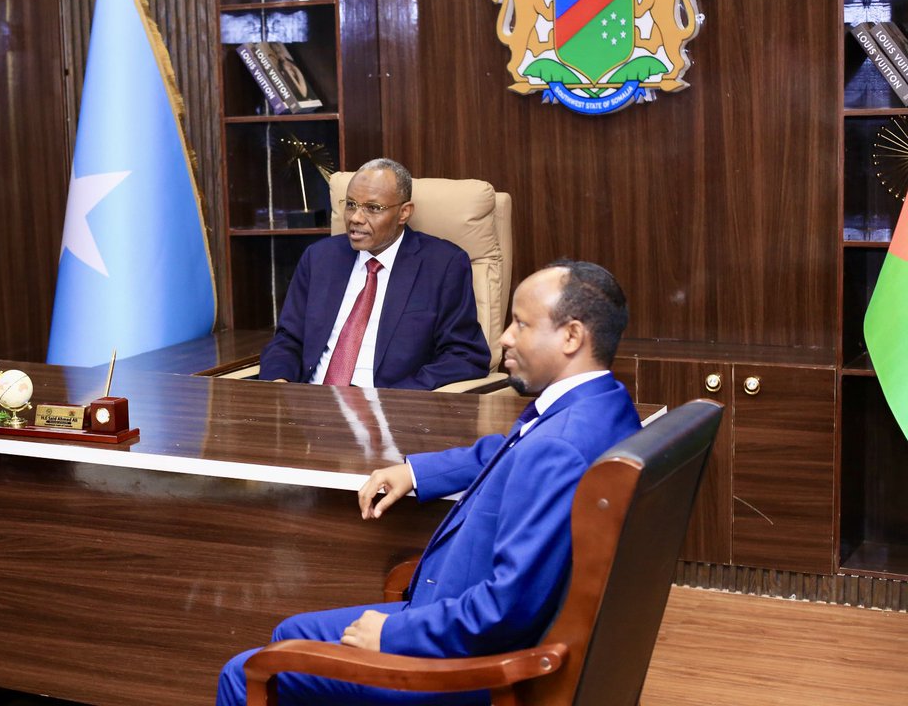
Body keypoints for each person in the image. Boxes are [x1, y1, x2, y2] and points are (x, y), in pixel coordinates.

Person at [220, 261, 642, 706]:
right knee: (290, 633)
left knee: (247, 672)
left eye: (520, 323)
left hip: (472, 663)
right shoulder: (603, 407)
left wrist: (395, 633)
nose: (504, 337)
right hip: (474, 624)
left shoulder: (558, 449)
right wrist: (417, 472)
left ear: (571, 337)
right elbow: (509, 449)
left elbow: (505, 611)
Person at [258, 158, 490, 389]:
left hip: (390, 411)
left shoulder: (442, 265)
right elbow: (288, 339)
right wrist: (280, 384)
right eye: (350, 205)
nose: (355, 218)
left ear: (404, 213)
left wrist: (397, 397)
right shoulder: (320, 258)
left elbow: (465, 356)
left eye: (373, 208)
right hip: (311, 406)